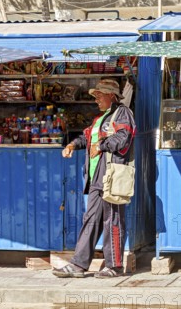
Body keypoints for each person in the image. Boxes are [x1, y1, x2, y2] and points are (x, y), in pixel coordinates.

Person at [53, 79, 136, 279]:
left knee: (113, 220)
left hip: (111, 175)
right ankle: (78, 264)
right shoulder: (100, 118)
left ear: (111, 95)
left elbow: (123, 137)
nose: (96, 99)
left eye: (100, 95)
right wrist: (72, 145)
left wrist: (101, 145)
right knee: (90, 220)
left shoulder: (122, 113)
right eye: (96, 95)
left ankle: (114, 266)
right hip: (96, 178)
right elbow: (86, 138)